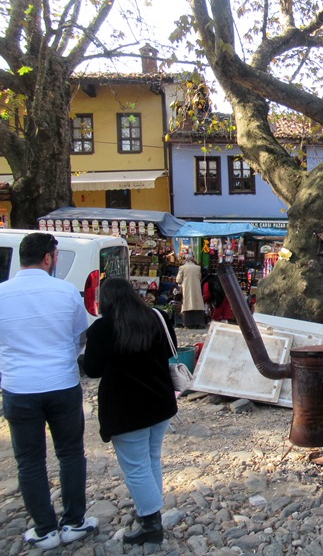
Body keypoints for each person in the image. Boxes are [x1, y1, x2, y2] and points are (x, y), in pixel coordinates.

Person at [0, 233, 97, 550]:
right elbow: (79, 335)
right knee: (70, 454)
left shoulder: (2, 294)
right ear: (48, 258)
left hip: (19, 386)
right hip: (61, 383)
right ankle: (74, 521)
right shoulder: (66, 292)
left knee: (29, 461)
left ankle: (44, 528)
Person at [84, 278, 177, 544]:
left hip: (125, 407)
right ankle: (150, 511)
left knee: (136, 466)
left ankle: (150, 522)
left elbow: (93, 369)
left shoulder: (103, 329)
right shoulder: (156, 317)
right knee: (150, 459)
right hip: (160, 401)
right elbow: (170, 350)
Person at [176, 256, 204, 328]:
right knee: (197, 302)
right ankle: (198, 322)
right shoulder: (198, 268)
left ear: (186, 261)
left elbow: (178, 280)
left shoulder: (182, 268)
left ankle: (187, 322)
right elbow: (200, 277)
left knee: (187, 302)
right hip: (196, 288)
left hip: (186, 287)